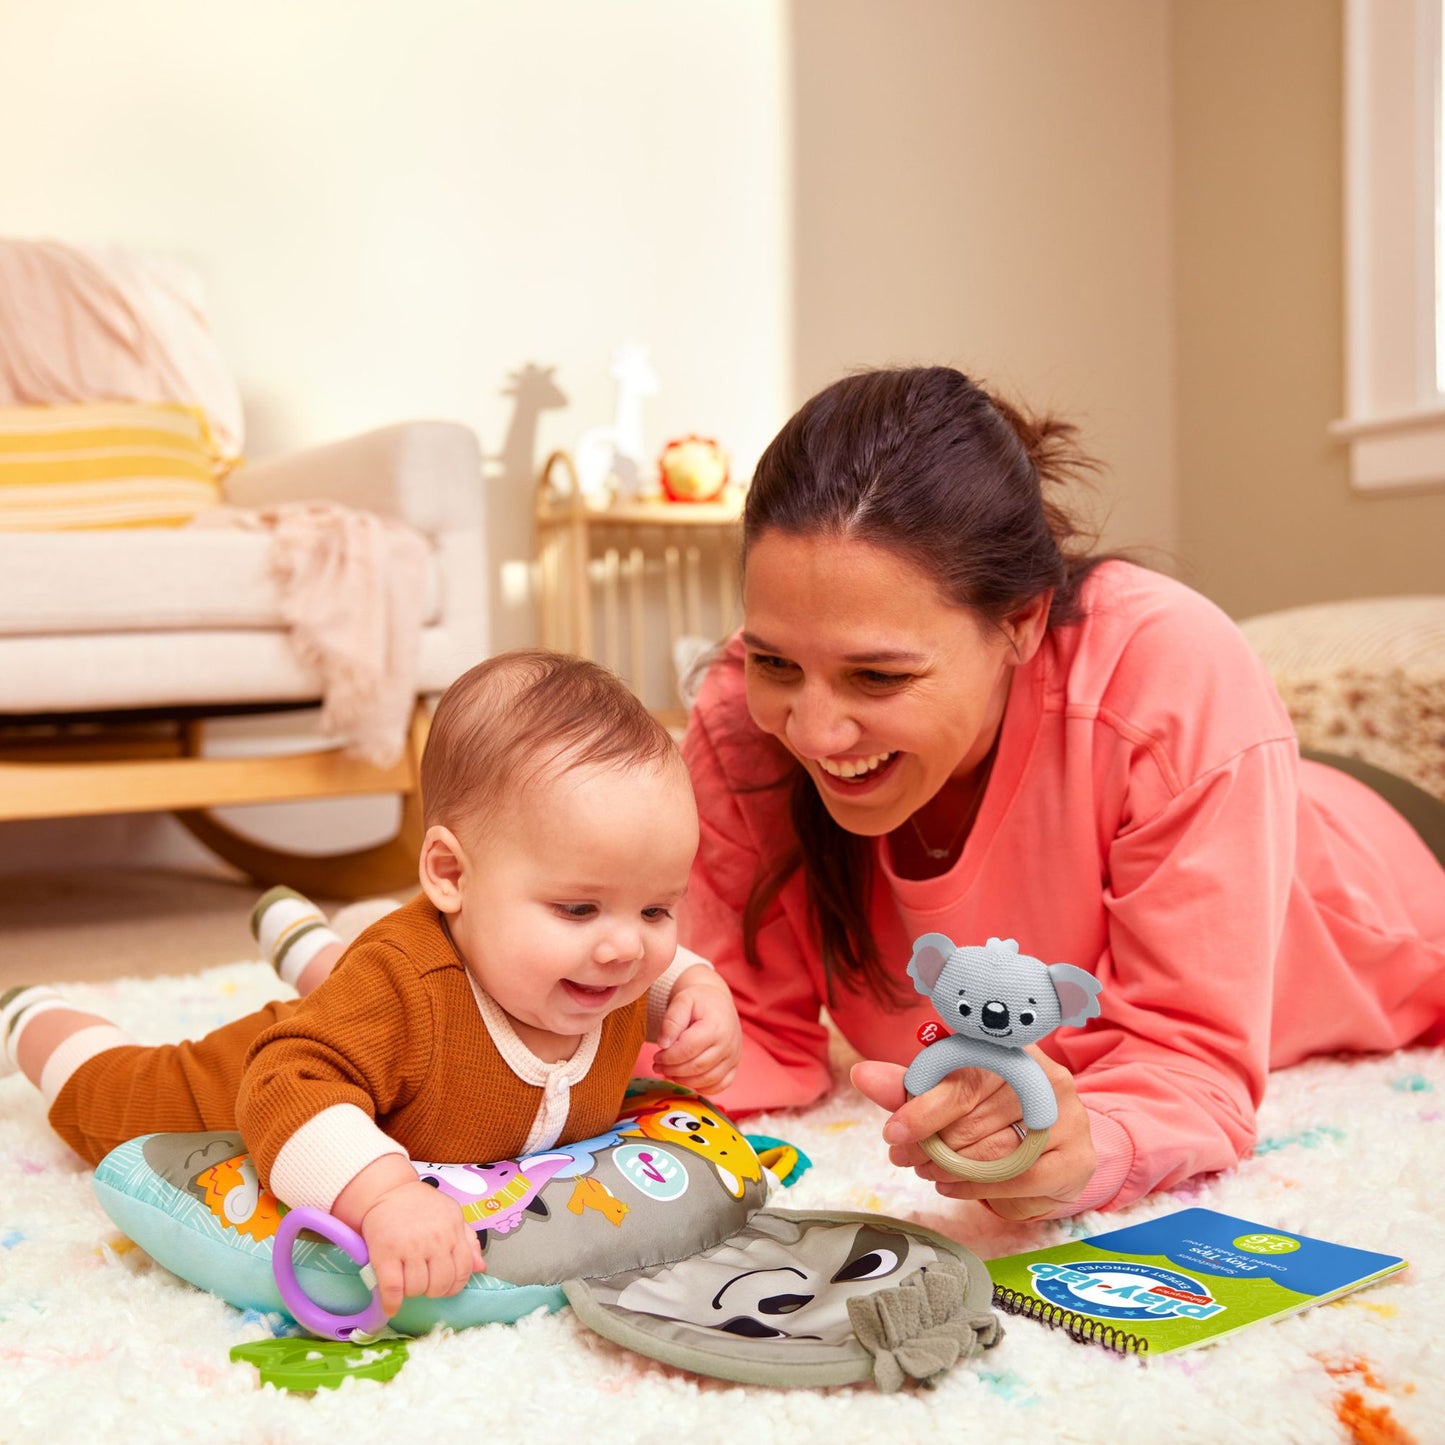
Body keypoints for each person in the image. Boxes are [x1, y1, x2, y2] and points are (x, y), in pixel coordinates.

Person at [679, 364, 1445, 1223]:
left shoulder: (1170, 669)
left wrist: (1093, 1147)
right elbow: (745, 1032)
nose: (814, 731)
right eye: (778, 660)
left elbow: (1189, 1062)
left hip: (1377, 868)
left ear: (1021, 622)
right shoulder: (739, 719)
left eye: (877, 675)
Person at [2, 649, 742, 1315]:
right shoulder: (402, 987)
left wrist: (694, 992)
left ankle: (319, 944)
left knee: (379, 983)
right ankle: (33, 1012)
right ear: (450, 875)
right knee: (112, 1093)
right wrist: (385, 1193)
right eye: (578, 907)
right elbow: (284, 1087)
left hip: (400, 1018)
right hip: (254, 1069)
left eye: (656, 908)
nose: (624, 947)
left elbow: (657, 969)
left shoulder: (599, 968)